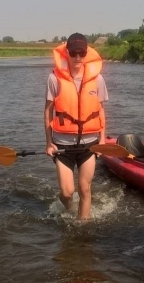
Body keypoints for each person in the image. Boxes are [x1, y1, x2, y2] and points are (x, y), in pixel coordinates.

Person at [44, 33, 108, 220]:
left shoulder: (97, 79)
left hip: (89, 143)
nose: (78, 57)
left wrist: (102, 140)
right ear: (67, 53)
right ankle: (70, 207)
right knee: (67, 192)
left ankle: (83, 229)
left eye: (82, 53)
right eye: (74, 53)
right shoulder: (54, 78)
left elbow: (101, 110)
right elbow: (48, 112)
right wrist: (49, 143)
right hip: (63, 145)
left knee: (85, 188)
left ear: (87, 53)